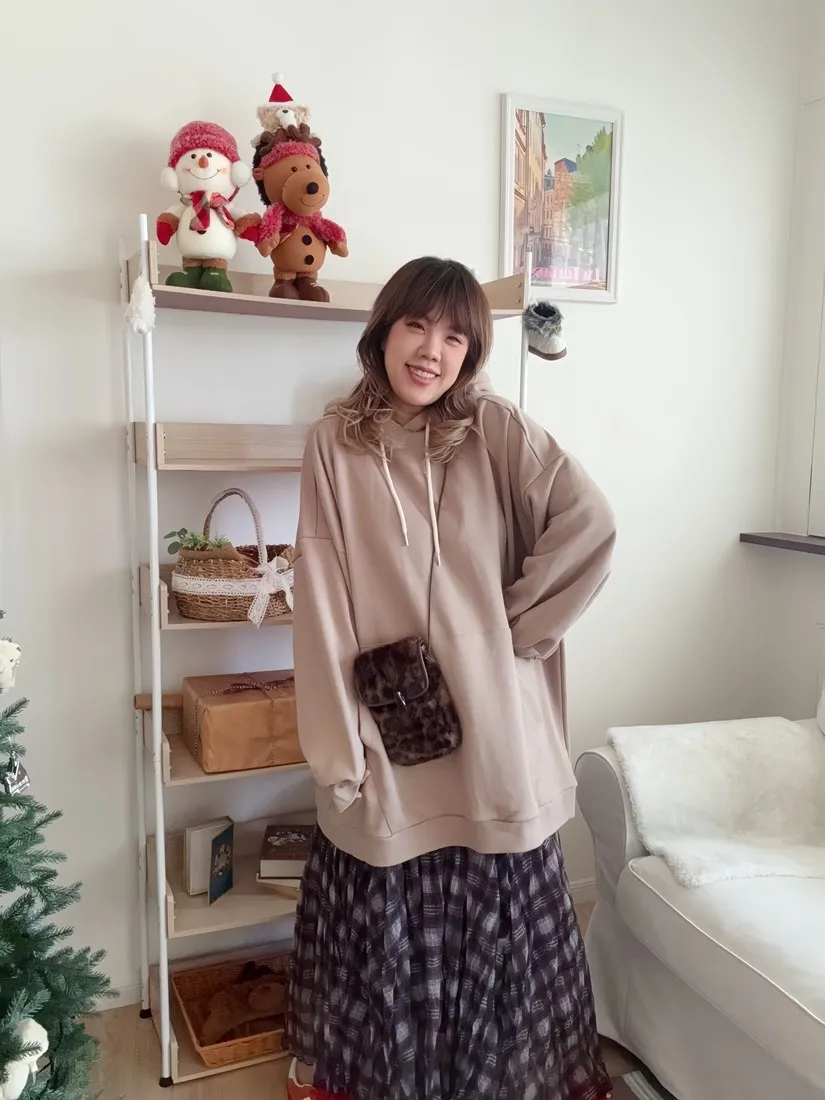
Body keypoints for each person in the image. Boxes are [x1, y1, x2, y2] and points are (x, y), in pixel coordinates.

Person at [284, 256, 616, 1100]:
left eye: (455, 337)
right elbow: (320, 595)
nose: (431, 350)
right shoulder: (334, 441)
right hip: (388, 725)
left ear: (471, 353)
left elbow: (589, 522)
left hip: (494, 732)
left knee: (495, 925)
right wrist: (338, 752)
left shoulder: (493, 429)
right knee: (391, 908)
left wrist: (514, 632)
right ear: (383, 332)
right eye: (415, 326)